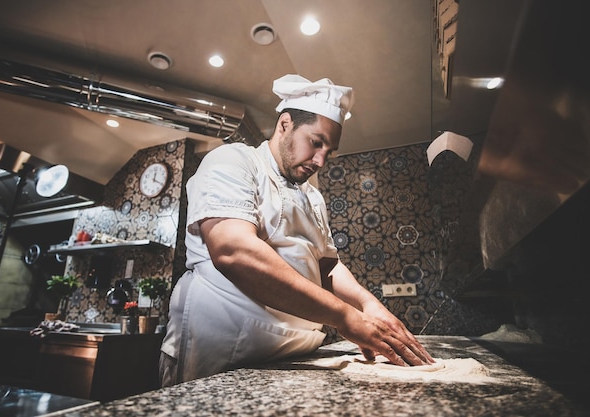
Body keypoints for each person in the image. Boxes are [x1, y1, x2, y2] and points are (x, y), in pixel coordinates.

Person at [159, 74, 434, 386]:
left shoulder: (312, 197)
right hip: (220, 354)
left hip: (295, 355)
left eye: (328, 152)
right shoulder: (233, 160)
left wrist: (368, 305)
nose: (320, 161)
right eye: (316, 143)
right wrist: (346, 317)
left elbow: (327, 266)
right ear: (285, 124)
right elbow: (233, 251)